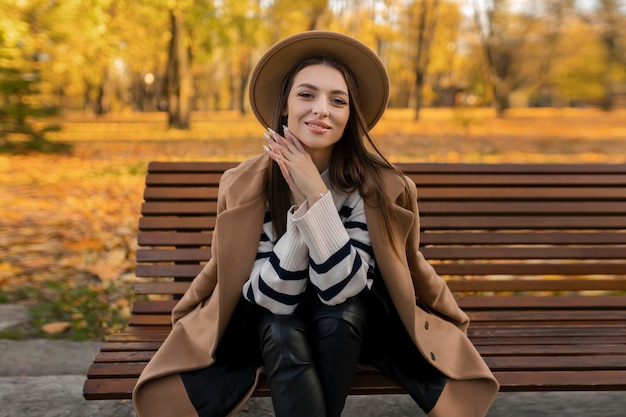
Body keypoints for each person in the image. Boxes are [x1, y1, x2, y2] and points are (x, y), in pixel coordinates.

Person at [133, 30, 498, 417]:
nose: (321, 109)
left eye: (337, 101)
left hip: (362, 324)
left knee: (340, 316)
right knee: (282, 329)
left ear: (349, 116)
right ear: (285, 106)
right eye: (307, 95)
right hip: (259, 321)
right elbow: (272, 297)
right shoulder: (244, 186)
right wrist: (307, 206)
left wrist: (315, 195)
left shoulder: (380, 188)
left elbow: (345, 286)